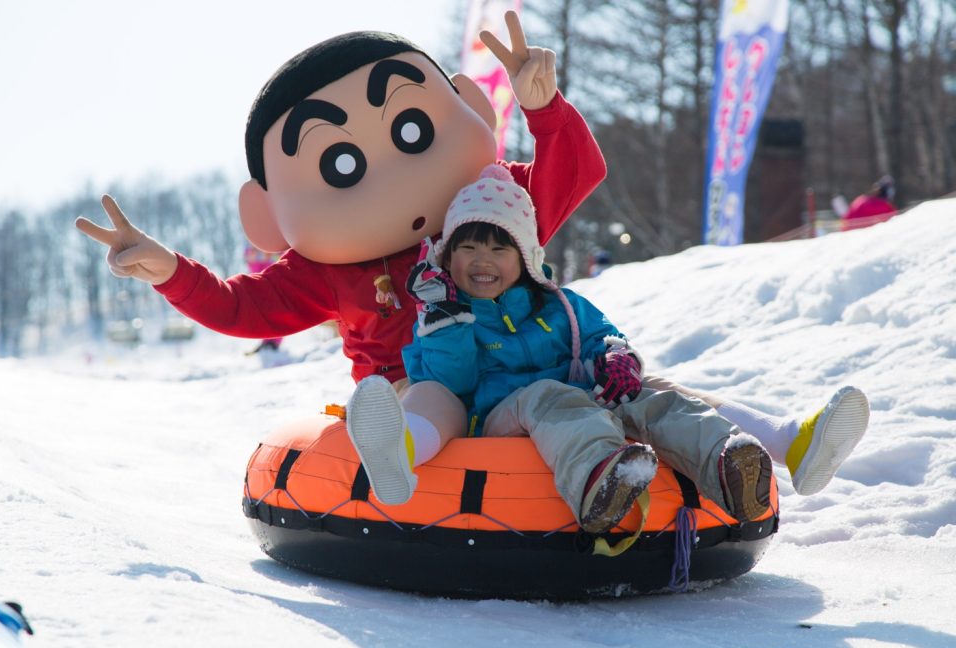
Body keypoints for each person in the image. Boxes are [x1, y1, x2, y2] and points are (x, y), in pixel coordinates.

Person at [75, 12, 866, 499]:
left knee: (654, 389)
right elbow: (244, 309)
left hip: (537, 363)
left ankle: (784, 442)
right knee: (437, 405)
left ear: (465, 105)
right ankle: (398, 457)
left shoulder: (481, 213)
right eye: (340, 165)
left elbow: (571, 174)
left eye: (411, 130)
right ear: (269, 215)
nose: (385, 170)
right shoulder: (328, 269)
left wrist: (545, 110)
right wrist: (170, 270)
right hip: (425, 388)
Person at [346, 164, 773, 533]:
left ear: (526, 258)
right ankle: (599, 481)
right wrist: (447, 319)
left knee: (645, 396)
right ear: (448, 255)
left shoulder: (561, 305)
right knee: (549, 396)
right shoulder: (446, 315)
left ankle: (726, 461)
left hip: (578, 404)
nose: (482, 260)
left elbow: (602, 335)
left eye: (499, 249)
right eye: (468, 247)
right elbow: (451, 383)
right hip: (501, 415)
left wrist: (615, 359)